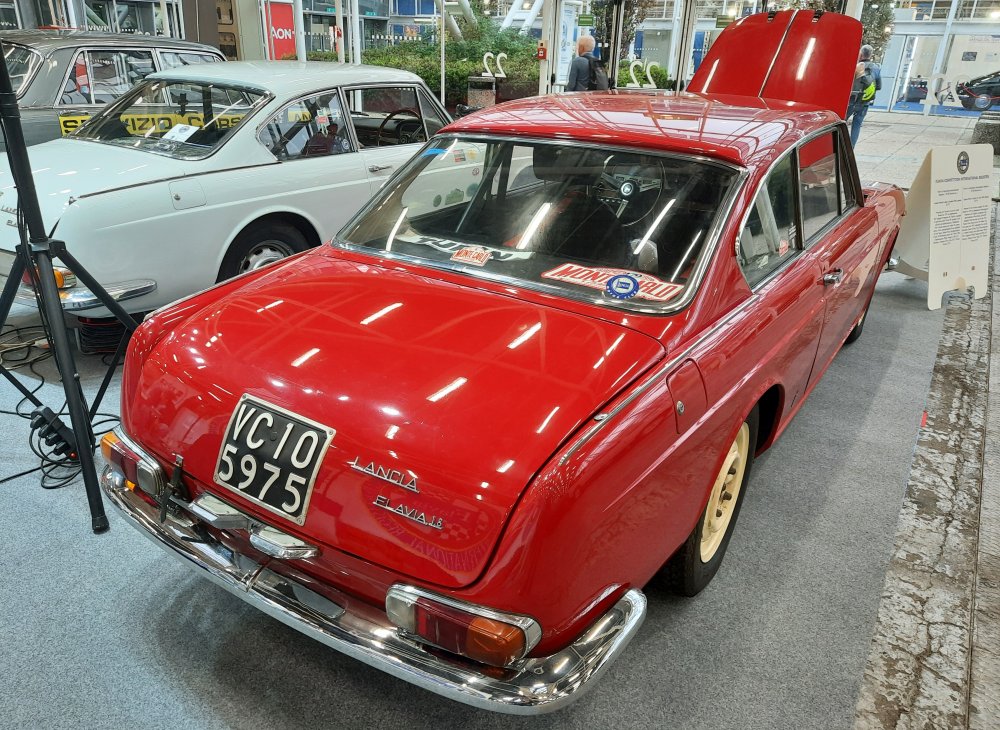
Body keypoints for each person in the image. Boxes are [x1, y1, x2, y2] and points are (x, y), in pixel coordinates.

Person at [847, 45, 882, 147]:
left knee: (841, 123)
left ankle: (839, 147)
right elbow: (879, 86)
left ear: (861, 54)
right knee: (857, 125)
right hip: (865, 101)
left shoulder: (856, 66)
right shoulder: (876, 68)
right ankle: (851, 149)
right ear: (870, 55)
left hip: (852, 99)